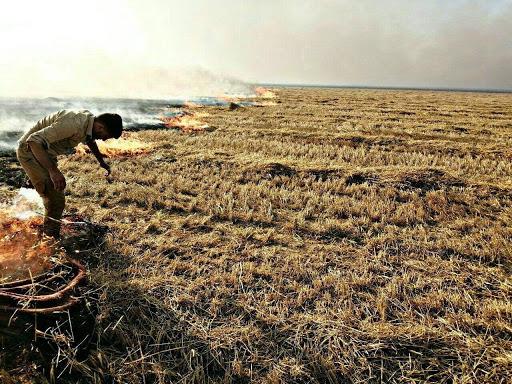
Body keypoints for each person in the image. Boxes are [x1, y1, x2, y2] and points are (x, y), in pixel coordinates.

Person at [16, 110, 123, 238]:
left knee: (47, 189)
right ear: (100, 127)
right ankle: (50, 240)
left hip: (45, 153)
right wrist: (53, 171)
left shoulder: (89, 123)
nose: (104, 139)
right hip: (30, 152)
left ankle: (27, 213)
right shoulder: (74, 123)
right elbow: (33, 141)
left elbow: (89, 140)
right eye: (106, 135)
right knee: (56, 198)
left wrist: (101, 162)